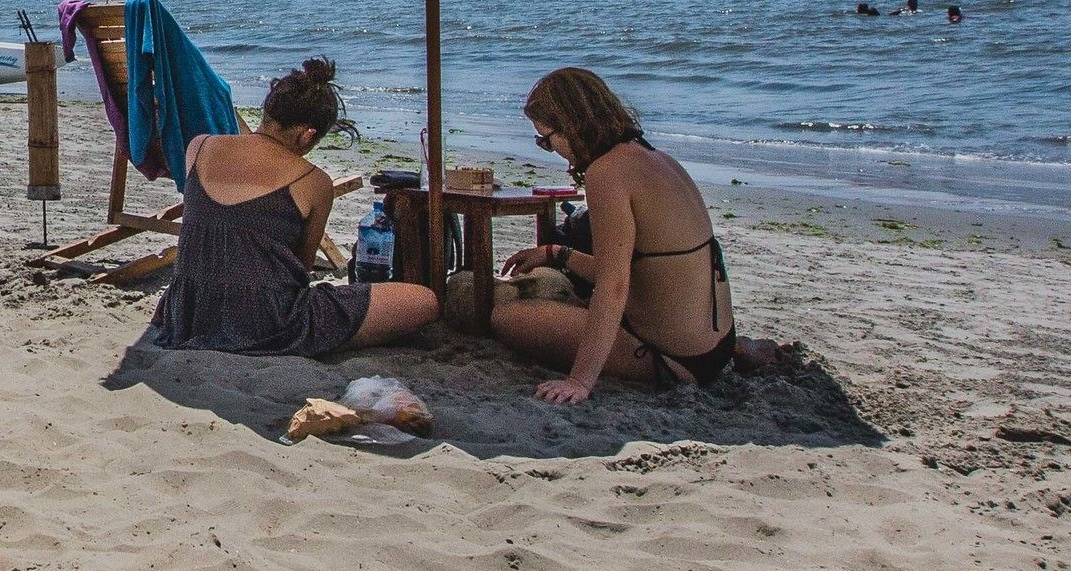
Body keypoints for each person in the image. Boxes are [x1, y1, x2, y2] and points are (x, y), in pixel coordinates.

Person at [146, 57, 439, 356]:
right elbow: (300, 268)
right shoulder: (314, 181)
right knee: (423, 301)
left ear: (268, 110)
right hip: (265, 320)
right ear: (307, 134)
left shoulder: (199, 147)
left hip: (187, 313)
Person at [492, 65, 745, 404]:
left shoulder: (607, 172)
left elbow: (614, 286)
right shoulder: (658, 159)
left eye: (546, 140)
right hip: (719, 345)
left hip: (671, 359)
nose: (549, 149)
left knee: (507, 318)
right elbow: (638, 269)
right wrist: (556, 253)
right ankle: (746, 350)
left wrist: (579, 382)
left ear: (570, 126)